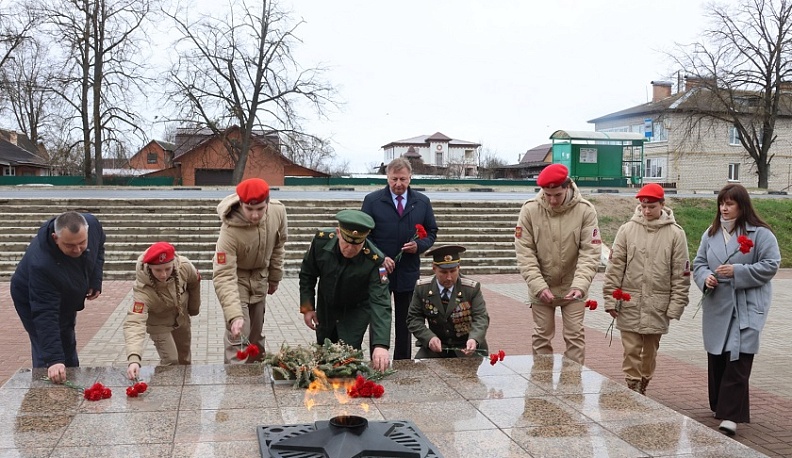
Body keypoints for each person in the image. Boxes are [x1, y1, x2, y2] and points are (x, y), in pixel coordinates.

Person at [693, 183, 780, 437]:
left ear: (742, 206)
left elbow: (771, 264)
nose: (724, 208)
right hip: (718, 302)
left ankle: (731, 415)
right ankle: (720, 404)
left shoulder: (761, 234)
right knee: (718, 354)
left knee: (740, 356)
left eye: (729, 203)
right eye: (721, 203)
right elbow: (699, 263)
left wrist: (738, 271)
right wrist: (705, 278)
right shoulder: (710, 234)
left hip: (747, 304)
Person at [602, 183, 690, 394]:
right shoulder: (626, 230)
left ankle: (644, 381)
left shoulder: (676, 234)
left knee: (649, 352)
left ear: (662, 204)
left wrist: (675, 306)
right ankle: (633, 386)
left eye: (651, 206)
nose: (647, 211)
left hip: (657, 304)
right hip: (629, 301)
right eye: (643, 206)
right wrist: (609, 299)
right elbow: (615, 267)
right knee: (631, 350)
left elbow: (681, 274)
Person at [514, 163, 601, 365]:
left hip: (574, 286)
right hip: (542, 286)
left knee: (575, 337)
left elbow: (590, 252)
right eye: (547, 195)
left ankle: (571, 385)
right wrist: (538, 286)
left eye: (558, 195)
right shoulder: (529, 210)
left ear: (568, 187)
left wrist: (580, 285)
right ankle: (541, 383)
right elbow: (524, 252)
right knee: (541, 337)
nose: (552, 200)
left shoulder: (585, 211)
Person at [11, 211, 106, 384]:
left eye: (82, 243)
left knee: (67, 336)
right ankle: (44, 390)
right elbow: (45, 314)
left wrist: (95, 279)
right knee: (46, 349)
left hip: (66, 290)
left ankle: (72, 379)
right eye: (70, 245)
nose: (77, 249)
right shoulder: (42, 264)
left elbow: (99, 247)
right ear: (55, 238)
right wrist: (54, 360)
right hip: (31, 298)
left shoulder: (92, 225)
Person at [361, 157, 438, 360]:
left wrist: (419, 246)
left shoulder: (422, 202)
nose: (398, 184)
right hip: (380, 271)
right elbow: (364, 235)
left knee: (406, 320)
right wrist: (380, 257)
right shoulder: (372, 201)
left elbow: (431, 232)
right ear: (387, 177)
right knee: (379, 317)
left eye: (403, 179)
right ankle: (377, 359)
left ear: (410, 178)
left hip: (408, 271)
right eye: (394, 179)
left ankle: (403, 361)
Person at [298, 209, 392, 372]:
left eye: (356, 245)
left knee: (348, 353)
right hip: (326, 305)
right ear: (338, 233)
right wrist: (308, 308)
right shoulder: (321, 242)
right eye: (346, 243)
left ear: (365, 240)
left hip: (356, 310)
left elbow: (381, 303)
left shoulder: (376, 261)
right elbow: (308, 274)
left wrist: (380, 345)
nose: (349, 249)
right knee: (323, 346)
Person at [213, 178, 288, 364]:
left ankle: (257, 383)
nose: (255, 215)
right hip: (236, 279)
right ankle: (236, 386)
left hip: (260, 278)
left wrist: (275, 277)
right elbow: (223, 275)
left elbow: (279, 246)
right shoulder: (229, 230)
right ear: (241, 204)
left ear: (268, 203)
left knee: (255, 335)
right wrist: (234, 315)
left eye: (260, 209)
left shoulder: (278, 212)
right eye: (249, 209)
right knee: (239, 335)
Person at [124, 242, 202, 380]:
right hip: (158, 324)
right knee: (171, 360)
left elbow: (194, 282)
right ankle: (161, 389)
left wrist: (193, 308)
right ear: (149, 268)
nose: (163, 274)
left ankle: (186, 392)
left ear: (174, 263)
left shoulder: (184, 266)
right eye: (158, 270)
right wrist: (134, 358)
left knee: (184, 359)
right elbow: (134, 323)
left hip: (181, 318)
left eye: (167, 268)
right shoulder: (143, 290)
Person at [407, 245, 489, 358]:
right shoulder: (422, 288)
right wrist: (429, 338)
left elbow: (481, 318)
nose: (449, 277)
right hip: (436, 347)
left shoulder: (471, 289)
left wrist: (474, 339)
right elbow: (413, 319)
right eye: (444, 272)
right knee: (420, 371)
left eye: (453, 271)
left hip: (466, 346)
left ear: (459, 268)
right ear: (434, 268)